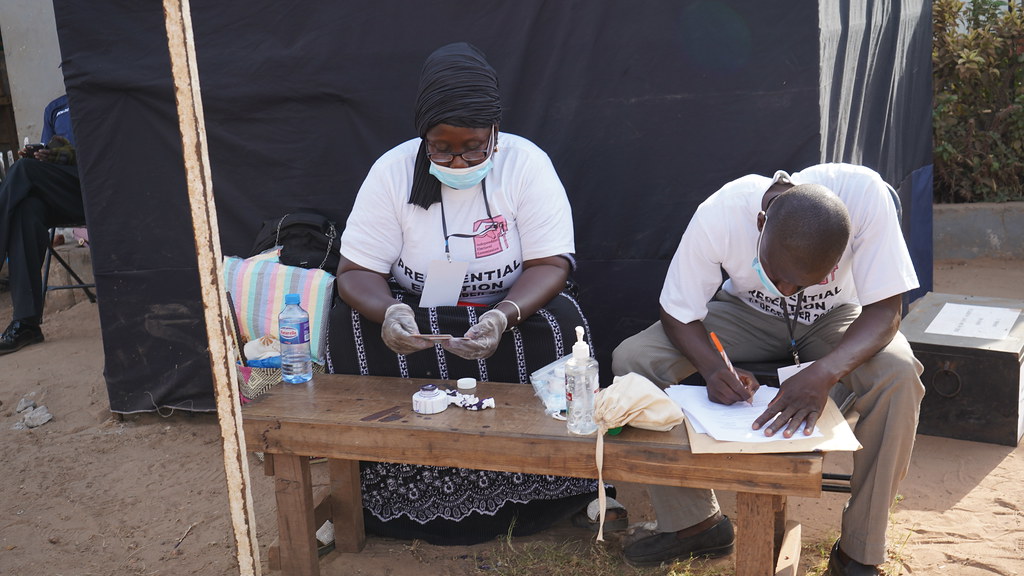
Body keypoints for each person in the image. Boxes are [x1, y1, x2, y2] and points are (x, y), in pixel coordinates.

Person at [333, 42, 621, 545]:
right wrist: (390, 313)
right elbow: (354, 271)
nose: (459, 160)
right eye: (442, 148)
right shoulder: (392, 171)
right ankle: (392, 494)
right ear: (423, 136)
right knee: (350, 325)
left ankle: (558, 490)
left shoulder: (526, 165)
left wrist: (503, 316)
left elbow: (552, 263)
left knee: (560, 323)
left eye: (474, 146)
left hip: (509, 308)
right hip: (416, 310)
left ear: (495, 132)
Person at [612, 163, 925, 575]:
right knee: (634, 359)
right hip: (745, 314)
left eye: (803, 283)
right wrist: (711, 368)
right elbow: (677, 311)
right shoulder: (721, 212)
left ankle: (859, 552)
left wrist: (823, 373)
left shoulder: (865, 195)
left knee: (899, 374)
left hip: (837, 319)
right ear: (761, 223)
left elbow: (886, 312)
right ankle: (695, 525)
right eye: (778, 276)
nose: (788, 291)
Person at [0, 94, 85, 355]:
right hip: (61, 192)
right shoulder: (56, 107)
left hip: (94, 190)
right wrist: (43, 153)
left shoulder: (103, 98)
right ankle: (27, 324)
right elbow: (50, 147)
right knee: (27, 209)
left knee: (23, 170)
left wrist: (67, 156)